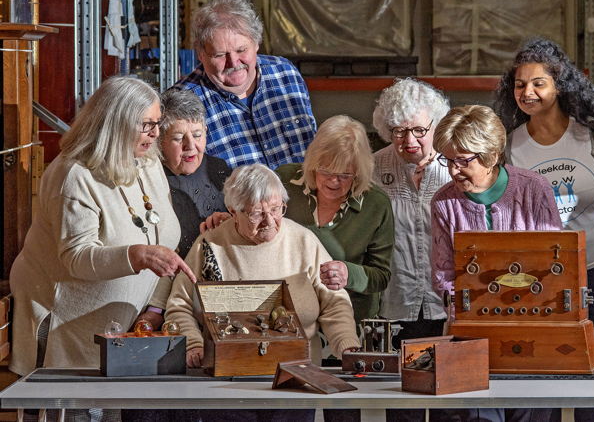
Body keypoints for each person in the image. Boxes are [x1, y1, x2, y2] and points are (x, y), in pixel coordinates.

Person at [8, 76, 196, 375]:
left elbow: (165, 241)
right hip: (66, 328)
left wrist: (155, 306)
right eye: (148, 124)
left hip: (124, 328)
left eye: (158, 122)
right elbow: (77, 258)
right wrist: (139, 255)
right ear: (117, 123)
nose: (156, 133)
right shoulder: (73, 175)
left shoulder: (147, 162)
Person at [494, 37, 594, 422]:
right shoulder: (508, 146)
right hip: (542, 280)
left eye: (538, 82)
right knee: (547, 375)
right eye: (520, 84)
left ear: (560, 85)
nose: (528, 92)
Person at [164, 163, 359, 422]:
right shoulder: (211, 245)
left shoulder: (303, 241)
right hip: (229, 383)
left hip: (296, 379)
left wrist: (347, 345)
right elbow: (179, 305)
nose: (270, 221)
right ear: (233, 210)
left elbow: (334, 302)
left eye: (276, 209)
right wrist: (194, 344)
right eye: (256, 213)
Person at [431, 105, 561, 422]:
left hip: (531, 332)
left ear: (491, 155)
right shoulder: (444, 202)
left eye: (464, 161)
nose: (453, 170)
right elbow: (444, 278)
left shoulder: (535, 189)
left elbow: (553, 267)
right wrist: (474, 316)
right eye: (448, 160)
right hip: (471, 336)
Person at [372, 78, 450, 422]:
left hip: (445, 306)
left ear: (435, 123)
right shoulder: (372, 168)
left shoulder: (455, 167)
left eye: (419, 130)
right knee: (405, 407)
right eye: (398, 132)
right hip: (397, 304)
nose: (409, 141)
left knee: (450, 401)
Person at [173, 0, 316, 170]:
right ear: (200, 54)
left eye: (241, 50)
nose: (233, 63)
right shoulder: (181, 105)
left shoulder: (286, 73)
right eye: (219, 54)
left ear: (256, 43)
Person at [275, 116, 394, 327]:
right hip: (289, 317)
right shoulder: (285, 181)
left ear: (359, 172)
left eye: (345, 174)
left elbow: (381, 276)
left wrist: (350, 274)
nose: (333, 181)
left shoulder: (376, 204)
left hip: (350, 320)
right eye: (325, 170)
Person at [159, 88, 232, 258]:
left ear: (206, 131)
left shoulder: (220, 170)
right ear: (159, 139)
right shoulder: (150, 177)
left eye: (197, 135)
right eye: (178, 138)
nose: (190, 145)